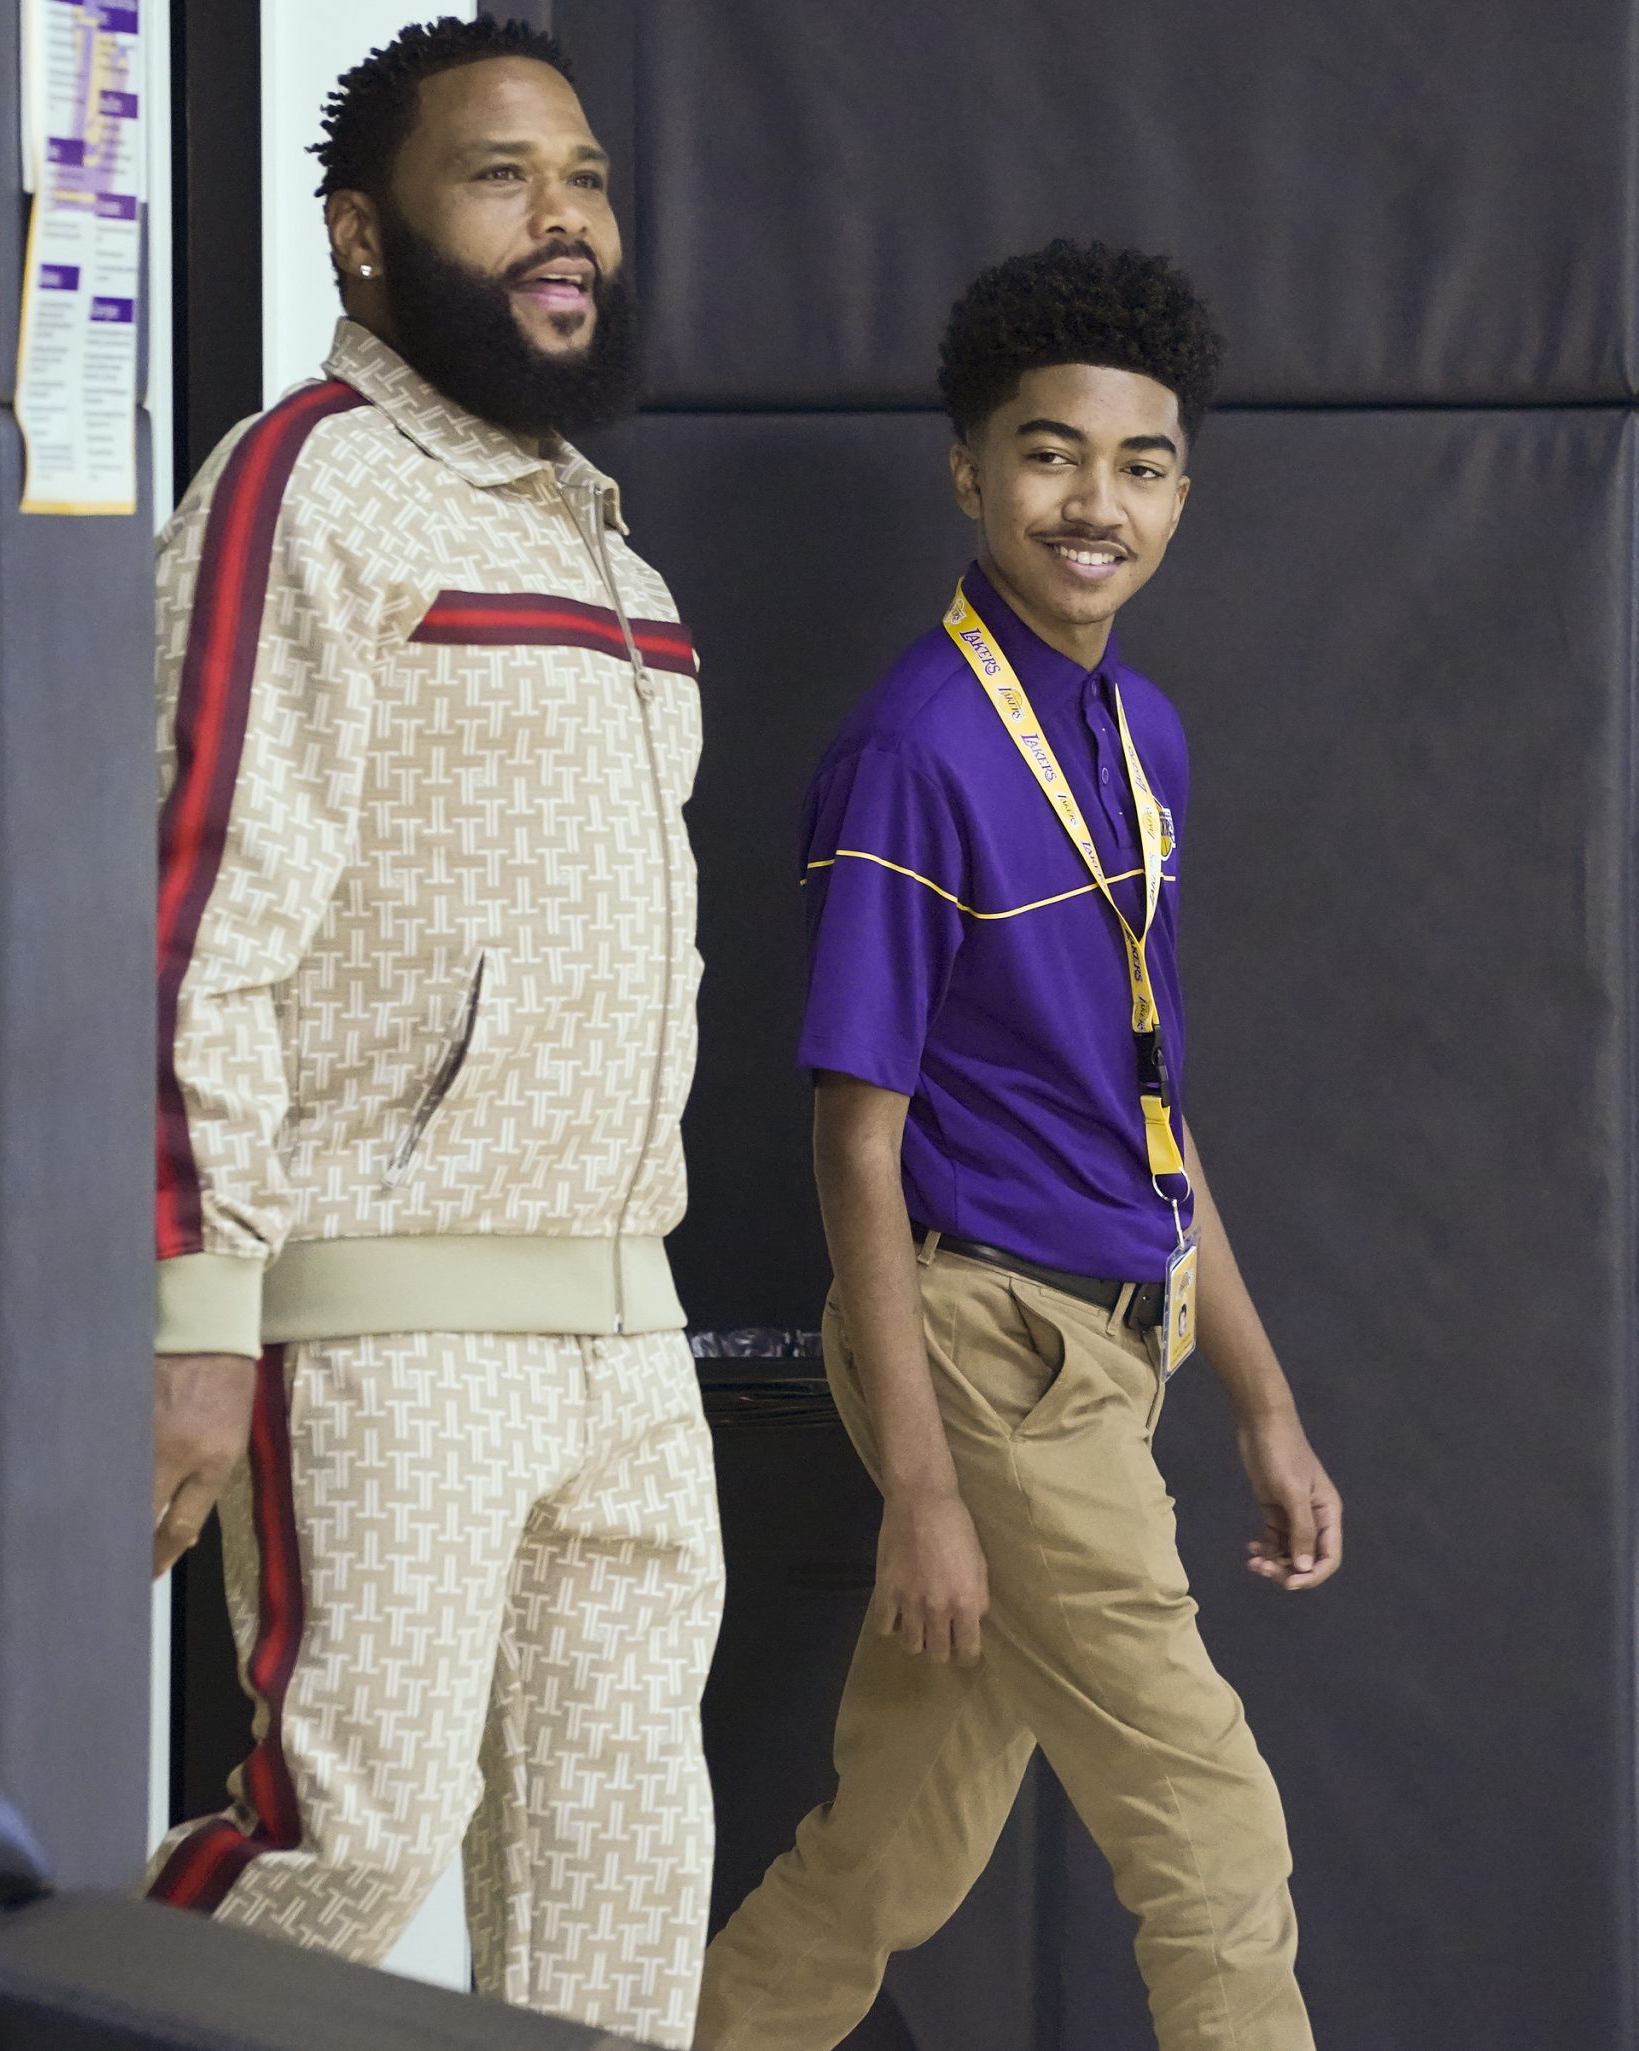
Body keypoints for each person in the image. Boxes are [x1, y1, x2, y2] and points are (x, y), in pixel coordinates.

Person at [138, 19, 722, 2047]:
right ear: (362, 235)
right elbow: (193, 895)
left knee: (620, 1897)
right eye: (499, 175)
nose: (563, 217)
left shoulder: (604, 545)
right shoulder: (309, 481)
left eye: (583, 178)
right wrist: (196, 1303)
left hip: (622, 1328)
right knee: (343, 1846)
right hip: (385, 1321)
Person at [696, 242, 1340, 2051]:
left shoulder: (1141, 734)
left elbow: (1145, 1108)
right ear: (968, 472)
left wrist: (1261, 1399)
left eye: (1141, 465)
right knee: (1214, 1832)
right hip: (989, 1352)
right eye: (1050, 455)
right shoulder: (913, 752)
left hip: (1114, 1343)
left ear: (1182, 496)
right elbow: (855, 1144)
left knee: (886, 1854)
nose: (1094, 503)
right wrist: (923, 1490)